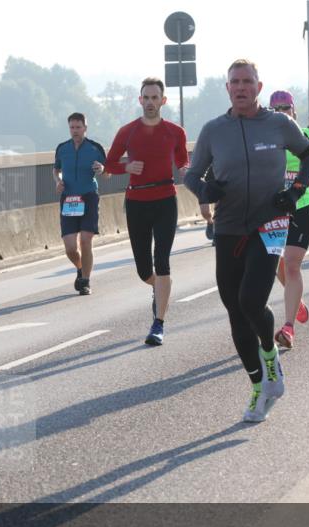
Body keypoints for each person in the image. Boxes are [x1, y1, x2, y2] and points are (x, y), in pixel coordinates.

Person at [184, 60, 309, 422]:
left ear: (258, 88)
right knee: (234, 311)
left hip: (269, 224)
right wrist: (204, 189)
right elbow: (192, 174)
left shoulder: (278, 124)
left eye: (247, 82)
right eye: (235, 82)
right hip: (228, 228)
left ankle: (269, 356)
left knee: (250, 300)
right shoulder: (214, 130)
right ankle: (261, 381)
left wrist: (296, 192)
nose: (241, 87)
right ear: (227, 88)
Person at [105, 77, 189, 345]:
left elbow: (183, 163)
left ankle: (158, 324)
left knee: (162, 260)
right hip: (137, 202)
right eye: (146, 97)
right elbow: (109, 164)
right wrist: (126, 167)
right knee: (144, 270)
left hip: (165, 199)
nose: (150, 102)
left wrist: (196, 177)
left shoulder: (175, 132)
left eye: (155, 98)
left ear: (163, 101)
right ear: (139, 100)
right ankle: (158, 287)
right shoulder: (127, 131)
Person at [269, 91, 309, 349]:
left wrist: (296, 184)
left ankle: (288, 327)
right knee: (275, 264)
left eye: (285, 107)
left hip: (301, 207)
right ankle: (295, 299)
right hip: (273, 211)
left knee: (291, 265)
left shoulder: (304, 135)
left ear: (293, 110)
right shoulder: (265, 137)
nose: (281, 112)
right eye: (275, 108)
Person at [53, 112, 107, 295]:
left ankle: (85, 280)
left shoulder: (95, 148)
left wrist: (102, 169)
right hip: (68, 198)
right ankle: (80, 268)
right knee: (70, 248)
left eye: (78, 127)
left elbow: (109, 173)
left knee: (85, 241)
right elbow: (56, 169)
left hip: (88, 197)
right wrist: (58, 181)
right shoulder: (62, 148)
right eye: (72, 127)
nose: (75, 131)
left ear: (85, 128)